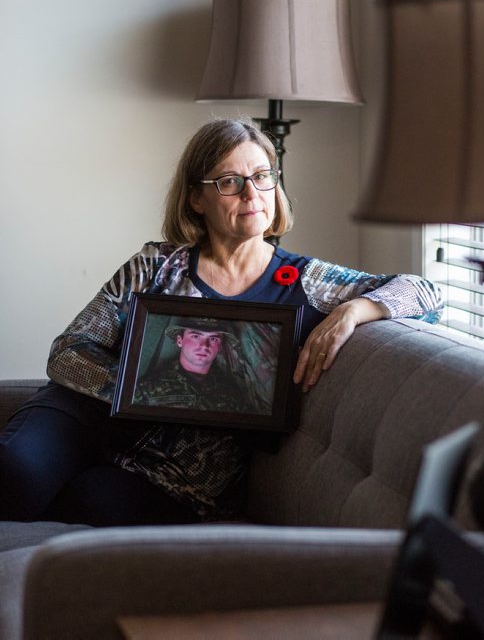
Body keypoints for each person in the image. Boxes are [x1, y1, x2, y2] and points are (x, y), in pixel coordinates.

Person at [0, 119, 443, 526]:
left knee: (92, 502)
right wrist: (143, 387)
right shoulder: (155, 264)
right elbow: (68, 352)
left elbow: (426, 293)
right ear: (196, 198)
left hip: (167, 477)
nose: (252, 194)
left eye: (263, 176)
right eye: (230, 182)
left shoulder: (307, 282)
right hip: (83, 417)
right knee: (18, 473)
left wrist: (354, 310)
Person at [134, 318, 258, 413]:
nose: (204, 345)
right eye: (196, 336)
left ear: (220, 347)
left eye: (213, 339)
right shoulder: (148, 388)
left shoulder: (231, 394)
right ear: (179, 341)